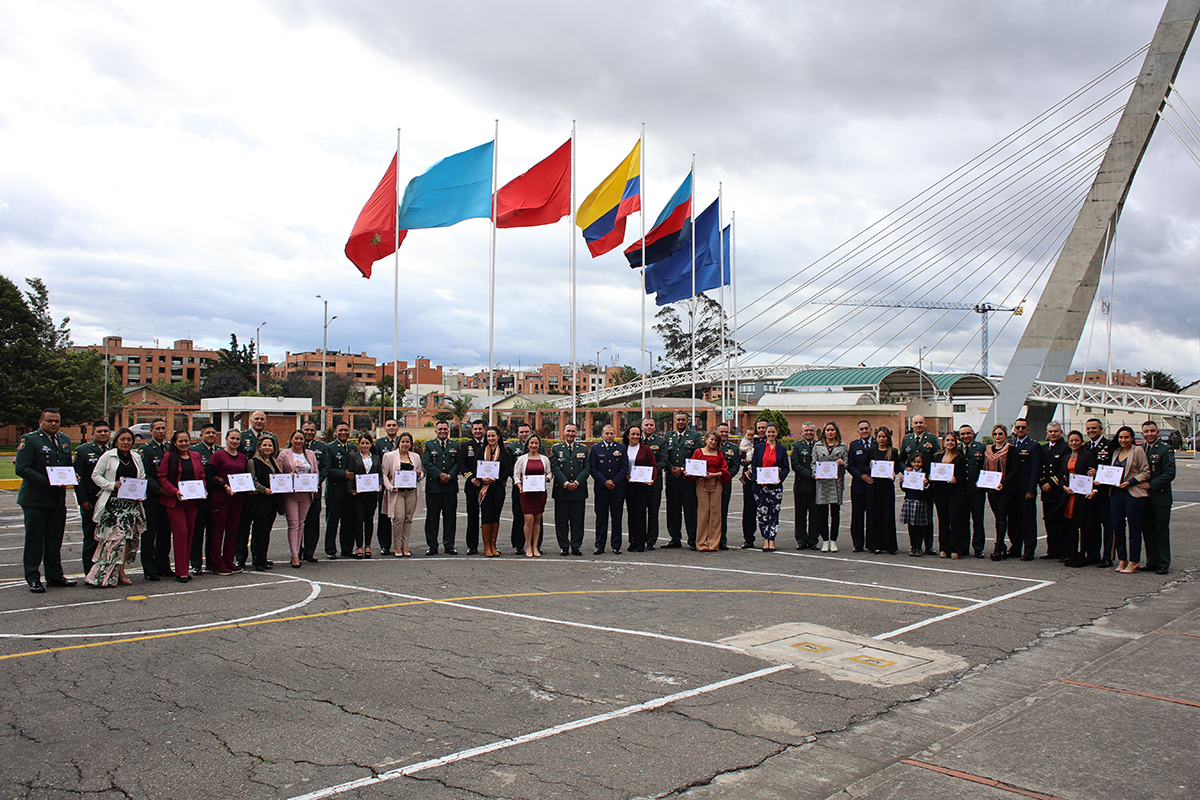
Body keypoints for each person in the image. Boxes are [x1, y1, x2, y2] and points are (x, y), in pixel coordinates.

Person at [17, 408, 77, 592]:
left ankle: (55, 576)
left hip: (57, 499)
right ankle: (33, 577)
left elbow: (66, 466)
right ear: (40, 422)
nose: (53, 424)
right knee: (35, 539)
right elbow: (21, 468)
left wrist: (73, 476)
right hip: (36, 499)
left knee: (54, 539)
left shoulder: (65, 440)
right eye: (49, 421)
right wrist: (48, 481)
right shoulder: (30, 440)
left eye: (56, 421)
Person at [84, 427, 145, 587]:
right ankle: (105, 574)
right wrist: (111, 485)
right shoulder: (108, 456)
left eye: (129, 440)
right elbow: (95, 475)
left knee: (127, 541)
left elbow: (142, 477)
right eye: (122, 439)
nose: (126, 442)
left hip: (131, 506)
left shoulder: (136, 457)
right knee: (113, 541)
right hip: (113, 506)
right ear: (116, 440)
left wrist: (140, 491)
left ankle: (121, 572)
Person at [157, 430, 206, 581]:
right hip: (175, 501)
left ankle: (185, 568)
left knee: (190, 533)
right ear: (174, 443)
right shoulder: (169, 456)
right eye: (181, 441)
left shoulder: (195, 456)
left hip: (192, 501)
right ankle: (180, 571)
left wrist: (202, 489)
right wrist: (174, 491)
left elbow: (202, 476)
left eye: (186, 441)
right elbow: (162, 477)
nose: (184, 444)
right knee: (181, 533)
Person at [236, 410, 278, 569]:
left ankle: (259, 557)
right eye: (256, 419)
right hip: (248, 492)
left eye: (262, 419)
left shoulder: (271, 437)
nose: (259, 421)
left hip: (267, 497)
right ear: (251, 421)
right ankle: (240, 558)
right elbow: (240, 461)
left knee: (262, 530)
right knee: (244, 528)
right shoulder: (244, 436)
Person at [206, 429, 249, 575]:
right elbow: (209, 476)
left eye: (237, 439)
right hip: (220, 499)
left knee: (233, 531)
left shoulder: (243, 458)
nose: (235, 441)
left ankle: (229, 560)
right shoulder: (218, 456)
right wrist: (224, 486)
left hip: (237, 499)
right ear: (226, 439)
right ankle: (217, 564)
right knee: (218, 531)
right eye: (232, 438)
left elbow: (245, 477)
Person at [1108, 425, 1149, 574]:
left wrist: (1130, 482)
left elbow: (1145, 472)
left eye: (1126, 437)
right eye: (1120, 437)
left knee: (1134, 528)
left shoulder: (1137, 451)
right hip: (1116, 494)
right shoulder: (1116, 452)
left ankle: (1134, 560)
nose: (1123, 440)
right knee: (1118, 527)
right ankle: (1122, 559)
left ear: (1132, 438)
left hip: (1132, 493)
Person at [72, 420, 110, 575]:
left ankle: (106, 570)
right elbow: (78, 478)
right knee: (91, 537)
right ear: (92, 433)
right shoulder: (83, 451)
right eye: (99, 431)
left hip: (109, 500)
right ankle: (89, 572)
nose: (103, 434)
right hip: (91, 500)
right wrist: (82, 500)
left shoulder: (113, 450)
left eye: (105, 431)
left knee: (108, 538)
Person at [279, 430, 320, 568]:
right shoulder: (284, 454)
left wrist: (315, 485)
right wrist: (288, 476)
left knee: (300, 524)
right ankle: (294, 555)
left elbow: (315, 473)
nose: (299, 441)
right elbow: (278, 474)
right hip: (291, 494)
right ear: (291, 440)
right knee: (293, 524)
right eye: (296, 438)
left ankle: (297, 552)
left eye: (301, 439)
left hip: (306, 494)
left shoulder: (310, 454)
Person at [1140, 421, 1176, 575]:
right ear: (1142, 434)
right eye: (1146, 431)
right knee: (1147, 530)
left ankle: (1163, 563)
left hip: (1160, 497)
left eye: (1152, 431)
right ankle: (1151, 561)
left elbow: (1169, 473)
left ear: (1158, 432)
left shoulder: (1165, 449)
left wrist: (1150, 485)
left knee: (1160, 531)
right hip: (1144, 498)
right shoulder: (1141, 450)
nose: (1149, 434)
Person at [138, 418, 171, 581]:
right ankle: (150, 569)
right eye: (157, 428)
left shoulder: (170, 448)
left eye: (163, 428)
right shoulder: (146, 450)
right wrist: (159, 489)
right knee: (150, 534)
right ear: (151, 431)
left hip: (169, 497)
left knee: (165, 533)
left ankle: (163, 565)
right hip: (153, 498)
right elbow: (144, 475)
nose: (161, 431)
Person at [686, 430, 731, 552]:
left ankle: (713, 543)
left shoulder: (719, 454)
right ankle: (701, 543)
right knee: (703, 513)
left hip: (716, 484)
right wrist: (689, 472)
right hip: (702, 485)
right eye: (711, 439)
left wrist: (714, 475)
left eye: (716, 440)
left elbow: (725, 471)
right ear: (706, 439)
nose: (713, 442)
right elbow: (691, 467)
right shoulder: (698, 452)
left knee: (716, 514)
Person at [1060, 430, 1099, 568]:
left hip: (1082, 496)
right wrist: (1064, 487)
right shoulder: (1065, 457)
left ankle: (1082, 555)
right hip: (1069, 495)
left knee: (1082, 526)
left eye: (1076, 440)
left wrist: (1094, 489)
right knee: (1071, 526)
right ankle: (1073, 554)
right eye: (1071, 440)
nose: (1074, 443)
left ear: (1082, 442)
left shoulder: (1087, 456)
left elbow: (1093, 475)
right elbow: (1061, 477)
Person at [663, 412, 702, 549]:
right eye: (678, 419)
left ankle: (693, 539)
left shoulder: (695, 436)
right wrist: (672, 468)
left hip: (688, 480)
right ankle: (675, 538)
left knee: (690, 510)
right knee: (673, 511)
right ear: (675, 421)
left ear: (688, 421)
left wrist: (683, 469)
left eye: (683, 420)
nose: (680, 422)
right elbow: (664, 456)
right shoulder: (668, 436)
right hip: (672, 479)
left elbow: (698, 456)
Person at [381, 432, 424, 558]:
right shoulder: (389, 456)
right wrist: (390, 487)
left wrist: (419, 475)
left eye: (407, 442)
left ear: (411, 444)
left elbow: (421, 473)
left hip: (411, 492)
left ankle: (405, 545)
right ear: (398, 443)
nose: (405, 444)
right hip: (397, 492)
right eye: (403, 441)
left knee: (408, 518)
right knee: (398, 518)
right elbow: (384, 474)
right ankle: (397, 546)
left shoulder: (415, 456)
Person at [551, 422, 590, 556]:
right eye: (568, 431)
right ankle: (563, 546)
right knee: (561, 520)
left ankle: (576, 546)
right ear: (563, 432)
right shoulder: (556, 448)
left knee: (577, 520)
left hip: (578, 491)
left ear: (577, 433)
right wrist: (566, 483)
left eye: (573, 431)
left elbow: (587, 468)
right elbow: (555, 468)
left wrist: (577, 482)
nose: (571, 434)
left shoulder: (583, 449)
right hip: (562, 490)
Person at [422, 420, 460, 555]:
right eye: (440, 429)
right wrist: (439, 475)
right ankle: (432, 546)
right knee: (432, 518)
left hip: (450, 487)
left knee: (450, 518)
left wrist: (449, 476)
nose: (443, 431)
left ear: (448, 430)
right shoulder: (428, 445)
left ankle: (449, 545)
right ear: (435, 431)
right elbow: (426, 462)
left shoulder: (455, 445)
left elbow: (458, 463)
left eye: (445, 429)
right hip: (434, 488)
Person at [861, 426, 901, 555]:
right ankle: (875, 545)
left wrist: (894, 473)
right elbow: (863, 466)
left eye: (884, 436)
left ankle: (889, 545)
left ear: (888, 438)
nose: (882, 439)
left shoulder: (893, 452)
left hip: (887, 487)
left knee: (887, 515)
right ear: (876, 438)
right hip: (874, 487)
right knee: (874, 515)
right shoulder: (871, 451)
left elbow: (898, 467)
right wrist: (870, 471)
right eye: (879, 436)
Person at [246, 435, 283, 570]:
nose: (267, 448)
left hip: (272, 501)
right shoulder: (253, 461)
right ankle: (258, 558)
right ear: (259, 447)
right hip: (260, 500)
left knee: (266, 530)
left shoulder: (274, 461)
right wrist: (263, 489)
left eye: (270, 445)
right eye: (265, 445)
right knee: (259, 531)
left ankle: (264, 557)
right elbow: (253, 480)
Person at [748, 425, 788, 551]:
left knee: (774, 513)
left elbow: (786, 467)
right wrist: (757, 478)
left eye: (773, 432)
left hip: (775, 487)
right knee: (762, 513)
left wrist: (780, 478)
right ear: (765, 433)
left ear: (777, 433)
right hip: (760, 487)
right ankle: (765, 538)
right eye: (768, 432)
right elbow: (754, 465)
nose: (771, 434)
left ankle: (772, 538)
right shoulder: (759, 447)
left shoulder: (781, 449)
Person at [590, 424, 628, 555]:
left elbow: (624, 468)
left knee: (617, 518)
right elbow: (593, 469)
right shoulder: (595, 448)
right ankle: (599, 545)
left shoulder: (621, 448)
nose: (609, 436)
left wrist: (614, 481)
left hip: (617, 490)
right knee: (601, 518)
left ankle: (616, 545)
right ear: (602, 434)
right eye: (607, 433)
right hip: (602, 489)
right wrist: (605, 482)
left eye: (612, 433)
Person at [985, 424, 1020, 561]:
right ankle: (1001, 545)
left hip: (1006, 489)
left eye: (1000, 434)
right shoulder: (988, 450)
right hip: (991, 488)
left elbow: (1016, 469)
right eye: (995, 434)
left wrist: (1003, 483)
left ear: (1006, 435)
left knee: (1001, 516)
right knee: (997, 516)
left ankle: (998, 546)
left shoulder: (1011, 450)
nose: (998, 437)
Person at [623, 425, 661, 552]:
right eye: (633, 434)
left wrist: (653, 479)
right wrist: (625, 476)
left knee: (640, 512)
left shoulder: (646, 449)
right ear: (628, 435)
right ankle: (632, 540)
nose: (635, 437)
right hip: (629, 485)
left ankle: (641, 541)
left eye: (638, 434)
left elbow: (653, 465)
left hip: (642, 486)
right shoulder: (624, 449)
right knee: (631, 513)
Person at [930, 431, 968, 559]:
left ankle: (956, 549)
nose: (950, 443)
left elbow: (964, 475)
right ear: (944, 442)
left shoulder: (960, 457)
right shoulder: (937, 457)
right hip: (940, 493)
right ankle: (944, 548)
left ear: (955, 442)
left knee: (955, 520)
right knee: (943, 520)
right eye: (947, 440)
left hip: (955, 493)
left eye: (952, 440)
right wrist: (931, 477)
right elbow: (933, 473)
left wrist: (956, 479)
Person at [812, 421, 848, 552]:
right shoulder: (818, 446)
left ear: (836, 432)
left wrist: (842, 463)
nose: (830, 432)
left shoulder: (842, 446)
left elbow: (847, 464)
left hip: (836, 483)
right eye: (828, 430)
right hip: (822, 483)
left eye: (833, 430)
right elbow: (813, 463)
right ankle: (825, 540)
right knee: (822, 513)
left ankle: (833, 540)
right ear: (824, 432)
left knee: (835, 513)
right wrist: (815, 474)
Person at [1010, 418, 1042, 560]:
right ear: (1014, 429)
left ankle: (1029, 549)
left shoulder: (1033, 446)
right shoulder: (1010, 445)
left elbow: (1035, 470)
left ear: (1028, 429)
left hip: (1025, 489)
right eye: (1018, 427)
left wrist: (1031, 490)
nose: (1020, 430)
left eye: (1023, 427)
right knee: (1014, 521)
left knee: (1028, 521)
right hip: (1011, 490)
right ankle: (1016, 547)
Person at [514, 433, 551, 557]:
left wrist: (546, 478)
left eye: (536, 443)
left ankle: (535, 546)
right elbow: (516, 475)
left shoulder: (544, 459)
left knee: (538, 520)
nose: (534, 445)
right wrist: (520, 487)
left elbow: (549, 473)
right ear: (527, 444)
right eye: (531, 443)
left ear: (539, 445)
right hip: (526, 494)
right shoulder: (522, 459)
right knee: (528, 520)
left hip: (540, 494)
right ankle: (528, 546)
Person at [475, 426, 510, 557]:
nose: (490, 438)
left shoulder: (504, 453)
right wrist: (482, 478)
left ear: (498, 437)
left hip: (498, 489)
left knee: (496, 516)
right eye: (488, 436)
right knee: (486, 516)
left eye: (493, 436)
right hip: (484, 489)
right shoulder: (480, 452)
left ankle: (493, 545)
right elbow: (475, 469)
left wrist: (497, 479)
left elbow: (507, 471)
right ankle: (487, 547)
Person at [1083, 418, 1114, 566]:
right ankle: (1093, 555)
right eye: (1088, 428)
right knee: (1092, 525)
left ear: (1101, 429)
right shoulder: (1085, 446)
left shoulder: (1109, 446)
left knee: (1108, 526)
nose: (1091, 431)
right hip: (1089, 493)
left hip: (1105, 493)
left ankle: (1107, 556)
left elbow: (1115, 469)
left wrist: (1098, 473)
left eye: (1094, 428)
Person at [189, 424, 219, 574]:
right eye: (208, 433)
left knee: (213, 532)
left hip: (216, 496)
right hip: (200, 497)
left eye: (213, 433)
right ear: (201, 436)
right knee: (197, 532)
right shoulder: (194, 451)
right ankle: (195, 563)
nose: (211, 435)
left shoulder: (220, 451)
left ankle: (211, 562)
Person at [347, 434, 382, 558]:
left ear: (371, 444)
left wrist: (380, 485)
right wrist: (351, 490)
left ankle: (368, 545)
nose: (364, 446)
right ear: (359, 444)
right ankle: (359, 546)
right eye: (362, 443)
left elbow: (380, 474)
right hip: (359, 493)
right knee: (358, 520)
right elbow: (351, 473)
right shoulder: (353, 457)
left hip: (371, 493)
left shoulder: (376, 458)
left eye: (367, 443)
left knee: (369, 520)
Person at [373, 418, 402, 556]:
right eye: (389, 425)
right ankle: (385, 545)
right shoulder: (379, 443)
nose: (391, 428)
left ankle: (400, 544)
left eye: (394, 425)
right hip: (385, 485)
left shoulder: (403, 441)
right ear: (384, 428)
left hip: (401, 486)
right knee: (384, 516)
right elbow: (376, 465)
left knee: (400, 516)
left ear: (398, 427)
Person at [1039, 422, 1069, 560]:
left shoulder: (1065, 448)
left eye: (1056, 431)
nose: (1053, 434)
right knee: (1049, 521)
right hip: (1046, 492)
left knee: (1061, 522)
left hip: (1059, 491)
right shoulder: (1044, 448)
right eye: (1050, 431)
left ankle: (1064, 551)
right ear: (1047, 433)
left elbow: (1064, 469)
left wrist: (1051, 483)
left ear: (1061, 432)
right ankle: (1052, 550)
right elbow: (1039, 468)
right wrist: (1042, 483)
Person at [323, 422, 353, 559]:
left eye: (346, 430)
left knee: (348, 521)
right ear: (336, 432)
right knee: (332, 522)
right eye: (340, 430)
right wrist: (343, 474)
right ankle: (330, 549)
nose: (343, 433)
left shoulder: (352, 447)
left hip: (349, 491)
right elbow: (327, 470)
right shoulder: (329, 448)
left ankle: (347, 549)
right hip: (335, 491)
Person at [458, 419, 488, 555]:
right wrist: (471, 478)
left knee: (488, 518)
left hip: (488, 486)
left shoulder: (490, 444)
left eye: (480, 429)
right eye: (475, 429)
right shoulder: (466, 446)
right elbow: (462, 464)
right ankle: (472, 546)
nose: (478, 431)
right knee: (472, 517)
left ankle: (489, 545)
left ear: (484, 429)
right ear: (472, 430)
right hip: (472, 486)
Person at [845, 420, 875, 552]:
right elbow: (850, 465)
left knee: (873, 515)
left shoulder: (877, 444)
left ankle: (872, 543)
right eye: (861, 429)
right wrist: (861, 476)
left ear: (871, 429)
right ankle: (858, 543)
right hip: (858, 485)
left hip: (874, 485)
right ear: (858, 431)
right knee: (857, 516)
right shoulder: (853, 445)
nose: (864, 431)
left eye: (866, 428)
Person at [737, 419, 768, 549]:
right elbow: (741, 458)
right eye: (759, 428)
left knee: (766, 510)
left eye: (764, 428)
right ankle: (748, 538)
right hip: (750, 480)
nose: (761, 430)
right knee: (749, 510)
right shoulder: (750, 441)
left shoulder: (772, 442)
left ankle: (768, 538)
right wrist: (744, 461)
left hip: (767, 481)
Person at [300, 421, 327, 563]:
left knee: (312, 523)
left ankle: (309, 552)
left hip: (314, 491)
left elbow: (325, 468)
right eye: (306, 429)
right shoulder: (293, 445)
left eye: (312, 430)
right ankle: (297, 551)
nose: (309, 432)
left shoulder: (321, 447)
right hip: (297, 492)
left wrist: (316, 480)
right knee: (297, 523)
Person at [959, 424, 988, 558]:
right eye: (963, 434)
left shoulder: (981, 448)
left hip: (976, 490)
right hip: (960, 491)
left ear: (973, 434)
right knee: (963, 520)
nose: (965, 436)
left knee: (978, 520)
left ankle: (978, 548)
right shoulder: (956, 448)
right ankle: (964, 547)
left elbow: (986, 467)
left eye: (968, 433)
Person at [790, 422, 818, 550]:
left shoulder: (819, 445)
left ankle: (813, 540)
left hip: (816, 486)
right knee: (800, 514)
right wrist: (810, 474)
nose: (809, 433)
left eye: (811, 430)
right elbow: (795, 465)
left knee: (815, 514)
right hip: (801, 485)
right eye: (806, 430)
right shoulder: (797, 446)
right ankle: (801, 539)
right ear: (802, 432)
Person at [641, 417, 667, 549]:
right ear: (642, 427)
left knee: (653, 512)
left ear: (655, 427)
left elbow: (663, 460)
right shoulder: (635, 440)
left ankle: (651, 540)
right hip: (638, 483)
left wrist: (651, 473)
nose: (649, 427)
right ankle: (639, 538)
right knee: (639, 511)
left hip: (654, 482)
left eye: (651, 425)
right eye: (646, 425)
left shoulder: (661, 442)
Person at [507, 422, 532, 554]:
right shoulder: (512, 448)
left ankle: (535, 544)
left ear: (531, 432)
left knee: (535, 517)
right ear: (517, 434)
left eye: (526, 432)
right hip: (519, 487)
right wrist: (519, 479)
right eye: (521, 432)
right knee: (518, 516)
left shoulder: (539, 445)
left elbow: (545, 463)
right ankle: (518, 544)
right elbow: (509, 466)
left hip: (535, 488)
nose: (524, 434)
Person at [900, 454, 932, 556]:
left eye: (918, 462)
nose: (916, 464)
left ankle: (918, 547)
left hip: (921, 501)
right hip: (910, 500)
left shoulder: (925, 474)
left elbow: (930, 490)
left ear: (922, 463)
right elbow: (905, 489)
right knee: (911, 525)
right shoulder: (908, 473)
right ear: (911, 463)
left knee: (920, 526)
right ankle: (913, 546)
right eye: (914, 462)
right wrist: (902, 482)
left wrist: (926, 484)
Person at [715, 423, 741, 550]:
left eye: (726, 432)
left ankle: (722, 540)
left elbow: (735, 466)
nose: (724, 434)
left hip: (725, 484)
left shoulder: (733, 448)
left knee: (722, 513)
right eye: (722, 431)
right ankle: (710, 538)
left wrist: (725, 476)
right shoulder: (710, 445)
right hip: (710, 484)